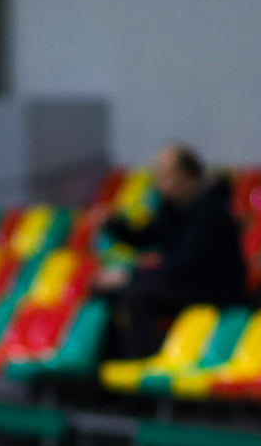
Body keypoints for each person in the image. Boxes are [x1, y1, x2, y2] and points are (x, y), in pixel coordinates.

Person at [96, 143, 248, 358]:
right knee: (106, 290)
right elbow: (146, 237)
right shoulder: (172, 207)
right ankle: (105, 369)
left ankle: (142, 365)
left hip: (215, 289)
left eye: (165, 174)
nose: (158, 179)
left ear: (185, 175)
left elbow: (185, 264)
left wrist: (131, 274)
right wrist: (114, 224)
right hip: (186, 282)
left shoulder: (210, 211)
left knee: (137, 294)